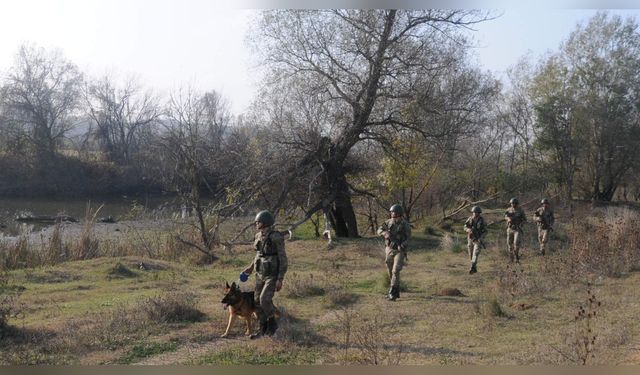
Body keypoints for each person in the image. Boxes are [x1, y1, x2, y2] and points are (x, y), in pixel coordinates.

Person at [242, 210, 288, 338]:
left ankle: (273, 324)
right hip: (260, 273)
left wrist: (280, 278)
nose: (256, 224)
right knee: (256, 301)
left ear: (266, 223)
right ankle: (263, 329)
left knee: (264, 299)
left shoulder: (276, 236)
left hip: (272, 275)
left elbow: (283, 258)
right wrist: (251, 267)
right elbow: (259, 254)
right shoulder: (258, 236)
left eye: (259, 222)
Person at [377, 204, 411, 301]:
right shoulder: (388, 222)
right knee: (389, 268)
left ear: (399, 214)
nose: (392, 214)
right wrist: (384, 233)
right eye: (391, 213)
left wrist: (402, 245)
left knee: (395, 270)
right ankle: (395, 289)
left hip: (400, 251)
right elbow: (379, 229)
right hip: (389, 249)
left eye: (394, 213)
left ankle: (392, 292)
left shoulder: (405, 225)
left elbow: (408, 238)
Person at [464, 206, 487, 274]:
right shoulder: (470, 219)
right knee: (471, 254)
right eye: (474, 212)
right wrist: (468, 230)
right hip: (470, 239)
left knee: (475, 254)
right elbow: (465, 226)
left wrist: (481, 238)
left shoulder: (482, 220)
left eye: (477, 212)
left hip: (478, 240)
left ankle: (472, 267)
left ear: (479, 213)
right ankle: (474, 268)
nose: (475, 213)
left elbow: (485, 231)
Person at [504, 197, 526, 263]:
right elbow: (505, 216)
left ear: (517, 204)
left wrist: (521, 225)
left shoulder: (521, 210)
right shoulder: (508, 210)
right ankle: (511, 259)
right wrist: (508, 219)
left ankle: (516, 256)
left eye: (514, 203)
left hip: (517, 229)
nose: (513, 205)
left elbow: (524, 219)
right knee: (509, 244)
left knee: (516, 243)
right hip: (510, 228)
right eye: (511, 203)